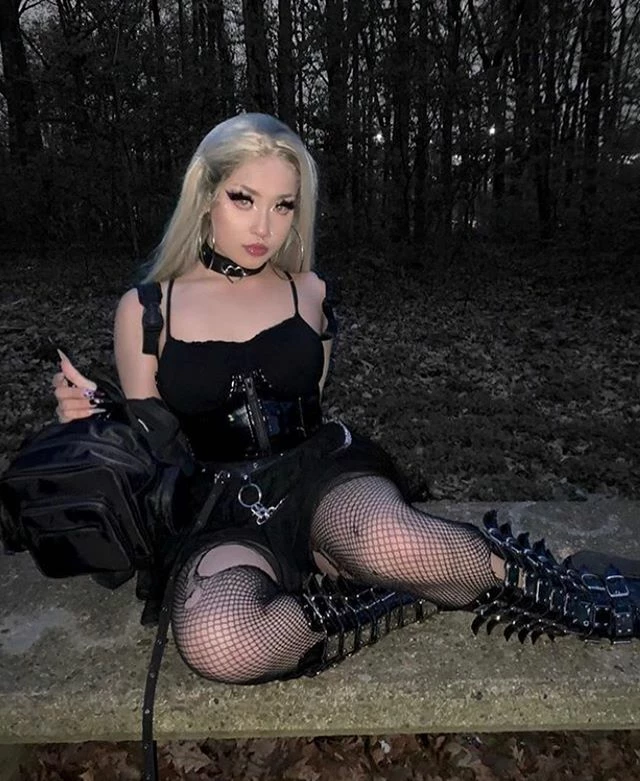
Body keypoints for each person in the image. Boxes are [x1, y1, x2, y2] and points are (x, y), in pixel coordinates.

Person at [52, 113, 639, 685]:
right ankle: (394, 597)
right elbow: (149, 445)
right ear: (205, 195)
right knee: (220, 642)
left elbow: (309, 404)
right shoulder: (147, 309)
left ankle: (579, 593)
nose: (264, 227)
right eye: (244, 199)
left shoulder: (309, 293)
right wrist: (93, 417)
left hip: (318, 478)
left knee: (394, 539)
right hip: (218, 509)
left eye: (284, 206)